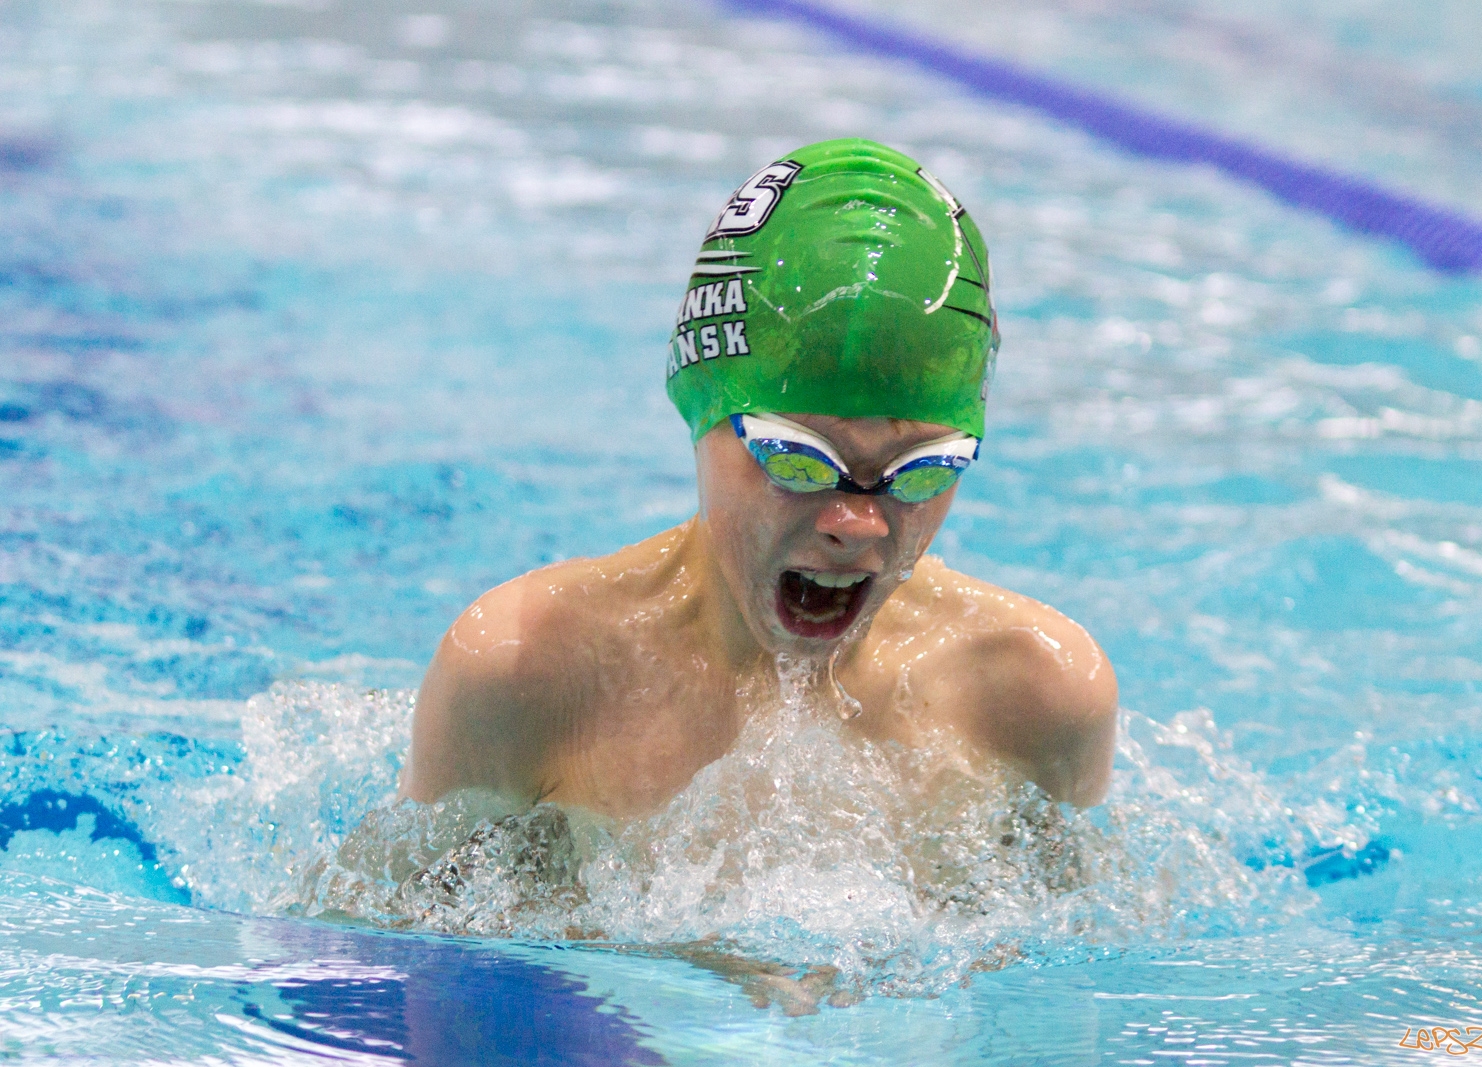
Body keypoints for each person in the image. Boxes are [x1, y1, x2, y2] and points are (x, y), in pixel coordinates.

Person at [400, 139, 1116, 820]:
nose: (856, 522)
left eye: (922, 470)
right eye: (798, 459)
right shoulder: (527, 675)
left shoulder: (1036, 696)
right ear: (704, 414)